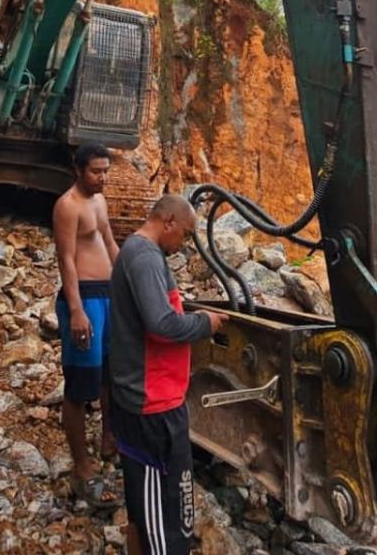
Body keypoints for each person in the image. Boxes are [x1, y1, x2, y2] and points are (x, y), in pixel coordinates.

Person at [106, 194, 228, 555]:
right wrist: (203, 323)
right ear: (169, 221)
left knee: (161, 501)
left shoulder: (139, 251)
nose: (185, 244)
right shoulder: (144, 257)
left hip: (155, 398)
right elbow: (160, 324)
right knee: (164, 513)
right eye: (186, 235)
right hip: (151, 404)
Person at [53, 142, 121, 507]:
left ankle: (110, 438)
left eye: (106, 171)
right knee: (81, 383)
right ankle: (81, 464)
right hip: (86, 300)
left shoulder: (99, 201)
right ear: (78, 169)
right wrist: (77, 310)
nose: (103, 178)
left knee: (111, 375)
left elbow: (109, 242)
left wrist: (129, 282)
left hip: (109, 295)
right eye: (96, 171)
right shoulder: (67, 206)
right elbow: (65, 258)